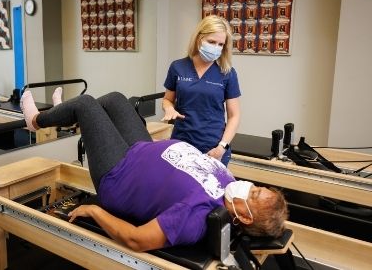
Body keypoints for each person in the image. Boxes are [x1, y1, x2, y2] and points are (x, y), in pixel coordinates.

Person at [20, 90, 287, 252]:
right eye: (258, 189)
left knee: (86, 104)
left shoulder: (196, 218)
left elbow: (138, 240)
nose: (250, 188)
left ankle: (35, 121)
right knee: (115, 100)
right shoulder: (230, 187)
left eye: (254, 196)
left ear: (246, 217)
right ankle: (66, 115)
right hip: (141, 150)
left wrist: (94, 210)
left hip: (119, 175)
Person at [162, 15, 241, 166]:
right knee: (179, 188)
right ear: (199, 38)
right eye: (211, 42)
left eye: (220, 44)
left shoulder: (227, 73)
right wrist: (168, 108)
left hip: (212, 147)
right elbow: (167, 99)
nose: (216, 48)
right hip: (181, 143)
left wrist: (221, 147)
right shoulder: (178, 67)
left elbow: (234, 116)